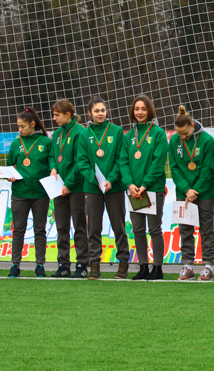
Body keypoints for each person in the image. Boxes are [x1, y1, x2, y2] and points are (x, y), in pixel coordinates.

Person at [75, 96, 130, 280]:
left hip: (114, 188)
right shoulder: (84, 134)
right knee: (93, 228)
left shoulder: (116, 131)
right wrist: (94, 179)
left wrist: (111, 179)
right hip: (92, 188)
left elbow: (121, 158)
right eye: (96, 111)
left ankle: (123, 264)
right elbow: (82, 161)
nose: (100, 114)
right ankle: (94, 265)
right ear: (89, 113)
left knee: (119, 227)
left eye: (103, 110)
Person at [119, 95, 169, 280]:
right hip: (134, 191)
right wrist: (130, 184)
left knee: (154, 229)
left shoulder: (158, 134)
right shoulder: (129, 136)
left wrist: (145, 184)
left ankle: (157, 268)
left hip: (152, 189)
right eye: (137, 109)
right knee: (138, 230)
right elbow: (123, 162)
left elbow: (158, 162)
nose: (140, 112)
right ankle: (143, 267)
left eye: (143, 109)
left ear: (150, 111)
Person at [168, 105, 214, 282]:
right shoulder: (174, 141)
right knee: (185, 229)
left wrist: (195, 190)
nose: (182, 137)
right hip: (184, 192)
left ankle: (208, 266)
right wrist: (186, 189)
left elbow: (207, 168)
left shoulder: (206, 140)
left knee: (206, 229)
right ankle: (188, 265)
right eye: (179, 133)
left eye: (186, 133)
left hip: (204, 192)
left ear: (192, 125)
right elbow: (174, 167)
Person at [7, 108, 53, 278]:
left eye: (22, 126)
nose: (20, 130)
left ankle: (40, 264)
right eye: (18, 126)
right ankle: (15, 265)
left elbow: (51, 163)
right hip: (20, 192)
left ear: (32, 124)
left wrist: (53, 170)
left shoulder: (45, 142)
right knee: (18, 229)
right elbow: (10, 165)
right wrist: (9, 176)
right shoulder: (16, 143)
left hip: (40, 193)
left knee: (40, 230)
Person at [49, 99, 90, 278]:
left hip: (76, 187)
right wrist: (53, 168)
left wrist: (68, 184)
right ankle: (63, 264)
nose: (54, 118)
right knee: (61, 226)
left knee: (79, 225)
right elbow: (53, 156)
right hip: (58, 186)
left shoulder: (80, 132)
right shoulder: (57, 134)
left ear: (68, 114)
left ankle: (82, 264)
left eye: (57, 115)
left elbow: (80, 161)